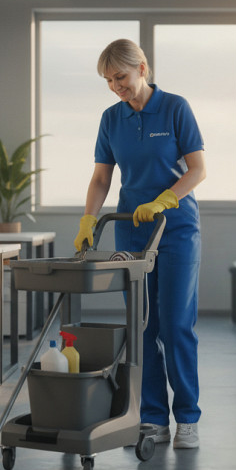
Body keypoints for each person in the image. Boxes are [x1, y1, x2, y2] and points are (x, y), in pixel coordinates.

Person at [74, 39, 206, 449]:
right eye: (109, 81)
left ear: (142, 69)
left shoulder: (175, 108)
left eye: (121, 77)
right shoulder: (111, 118)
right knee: (142, 327)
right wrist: (88, 219)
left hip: (175, 228)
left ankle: (187, 418)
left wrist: (165, 200)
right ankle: (153, 418)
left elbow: (198, 170)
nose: (116, 87)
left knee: (176, 325)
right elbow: (102, 178)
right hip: (131, 230)